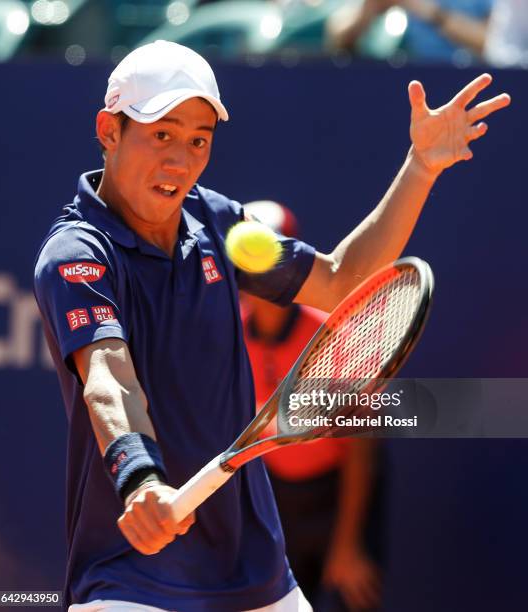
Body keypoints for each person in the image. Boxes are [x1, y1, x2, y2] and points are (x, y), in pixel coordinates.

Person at [33, 39, 509, 611]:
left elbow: (339, 279)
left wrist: (422, 166)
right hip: (133, 581)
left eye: (198, 140)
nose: (180, 161)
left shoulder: (218, 225)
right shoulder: (76, 254)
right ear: (109, 130)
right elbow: (109, 378)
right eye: (162, 133)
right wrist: (141, 480)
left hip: (259, 576)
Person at [241, 201, 383, 612]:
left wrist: (347, 545)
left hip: (340, 496)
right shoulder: (228, 331)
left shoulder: (330, 335)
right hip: (276, 499)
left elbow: (361, 450)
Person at [326, 0, 492, 62]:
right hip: (405, 87)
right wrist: (368, 8)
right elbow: (338, 37)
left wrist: (433, 14)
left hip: (464, 88)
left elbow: (493, 44)